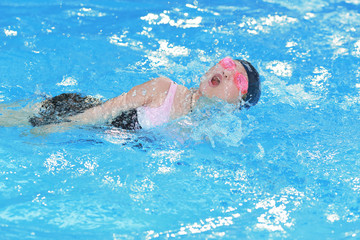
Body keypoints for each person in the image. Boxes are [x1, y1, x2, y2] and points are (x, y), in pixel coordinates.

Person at [1, 57, 261, 132]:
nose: (228, 73)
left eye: (238, 79)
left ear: (236, 104)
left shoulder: (210, 132)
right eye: (228, 64)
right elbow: (104, 111)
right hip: (74, 114)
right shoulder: (163, 88)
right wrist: (60, 127)